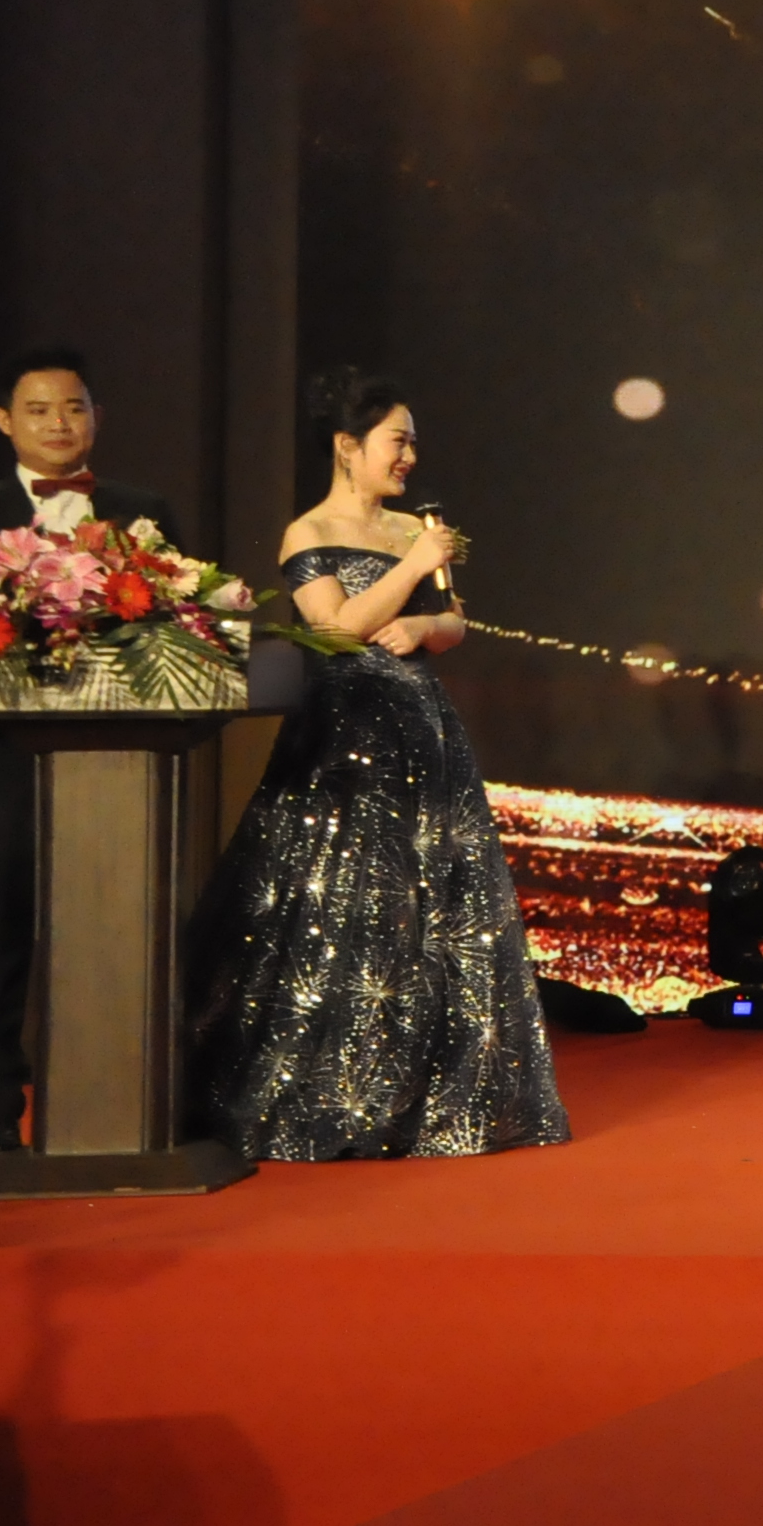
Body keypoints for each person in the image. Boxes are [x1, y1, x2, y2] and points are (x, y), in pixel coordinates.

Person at [188, 369, 567, 1162]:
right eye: (397, 441)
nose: (409, 457)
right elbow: (333, 628)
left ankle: (425, 1101)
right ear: (346, 446)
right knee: (342, 908)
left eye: (413, 443)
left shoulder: (414, 529)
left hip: (424, 732)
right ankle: (332, 1096)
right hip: (343, 737)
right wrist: (413, 567)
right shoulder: (309, 532)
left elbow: (454, 622)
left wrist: (429, 626)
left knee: (432, 910)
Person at [0, 346, 183, 1157]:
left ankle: (119, 1104)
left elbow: (176, 634)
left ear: (97, 418)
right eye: (39, 410)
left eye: (74, 408)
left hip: (115, 762)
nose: (58, 424)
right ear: (4, 421)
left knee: (110, 930)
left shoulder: (142, 513)